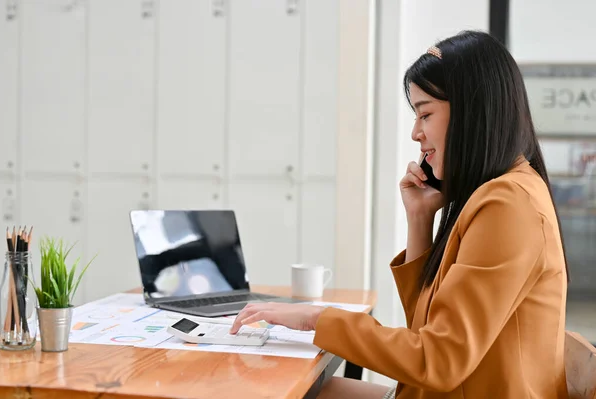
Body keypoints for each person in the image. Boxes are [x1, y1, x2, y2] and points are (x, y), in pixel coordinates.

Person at [229, 30, 570, 398]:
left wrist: (316, 318)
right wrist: (420, 219)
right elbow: (425, 332)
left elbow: (437, 360)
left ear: (473, 111)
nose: (415, 133)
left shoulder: (508, 205)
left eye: (425, 114)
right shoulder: (503, 192)